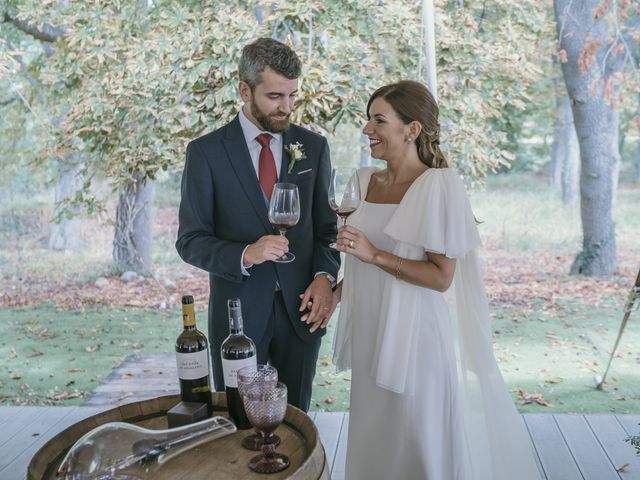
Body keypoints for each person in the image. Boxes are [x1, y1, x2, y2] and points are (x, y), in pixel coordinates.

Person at [330, 80, 542, 479]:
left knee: (418, 442)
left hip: (416, 340)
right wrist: (336, 290)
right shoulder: (360, 182)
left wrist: (375, 254)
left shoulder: (438, 185)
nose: (367, 129)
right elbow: (355, 259)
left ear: (412, 129)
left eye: (379, 120)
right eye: (367, 119)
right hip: (369, 331)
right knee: (374, 441)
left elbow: (442, 276)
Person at [176, 37, 340, 412]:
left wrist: (324, 278)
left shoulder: (313, 147)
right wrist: (246, 254)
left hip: (303, 315)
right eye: (274, 97)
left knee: (297, 420)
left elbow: (327, 232)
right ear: (244, 90)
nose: (286, 107)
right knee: (241, 422)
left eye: (292, 96)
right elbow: (190, 240)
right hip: (238, 318)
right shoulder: (205, 153)